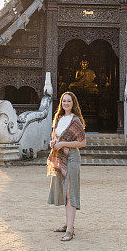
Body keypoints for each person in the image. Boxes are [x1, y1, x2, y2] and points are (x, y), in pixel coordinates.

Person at [46, 91, 86, 242]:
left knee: (70, 193)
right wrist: (54, 143)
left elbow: (82, 143)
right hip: (60, 158)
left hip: (72, 159)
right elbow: (55, 137)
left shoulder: (76, 121)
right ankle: (67, 224)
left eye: (69, 101)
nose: (66, 103)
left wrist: (63, 144)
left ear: (73, 103)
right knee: (65, 193)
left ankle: (70, 229)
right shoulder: (59, 119)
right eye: (64, 101)